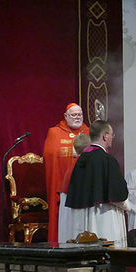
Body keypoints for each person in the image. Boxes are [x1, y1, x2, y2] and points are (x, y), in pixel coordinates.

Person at [64, 120, 129, 248]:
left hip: (83, 219)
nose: (112, 138)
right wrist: (128, 206)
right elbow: (118, 194)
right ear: (105, 136)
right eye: (111, 134)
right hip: (105, 217)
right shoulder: (107, 159)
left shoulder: (81, 159)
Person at [43, 103, 89, 242]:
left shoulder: (88, 131)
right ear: (65, 116)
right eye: (74, 115)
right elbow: (50, 153)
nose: (77, 118)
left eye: (79, 115)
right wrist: (71, 152)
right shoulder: (55, 132)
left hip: (85, 184)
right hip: (62, 184)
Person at [57, 133, 91, 243]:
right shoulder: (84, 163)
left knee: (67, 230)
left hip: (67, 198)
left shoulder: (74, 163)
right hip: (76, 202)